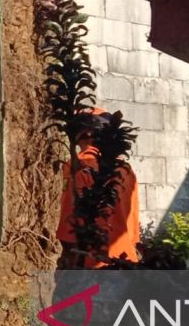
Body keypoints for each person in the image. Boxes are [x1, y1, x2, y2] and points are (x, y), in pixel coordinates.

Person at [57, 108, 140, 268]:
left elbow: (70, 223)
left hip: (90, 262)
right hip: (125, 260)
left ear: (82, 135)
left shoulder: (78, 167)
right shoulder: (127, 169)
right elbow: (134, 227)